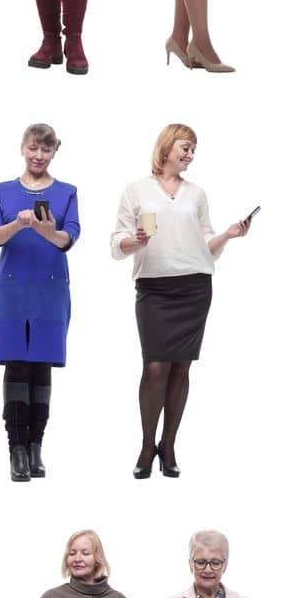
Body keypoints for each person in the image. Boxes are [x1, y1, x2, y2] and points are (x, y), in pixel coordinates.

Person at [110, 123, 252, 479]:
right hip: (154, 288)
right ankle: (147, 445)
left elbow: (204, 245)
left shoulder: (196, 193)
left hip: (194, 287)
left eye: (193, 150)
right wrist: (136, 241)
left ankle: (169, 445)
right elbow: (117, 242)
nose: (190, 155)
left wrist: (228, 235)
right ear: (167, 146)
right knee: (155, 367)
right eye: (185, 147)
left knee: (181, 368)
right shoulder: (136, 189)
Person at [0, 124, 80, 481]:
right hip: (12, 286)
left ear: (56, 151)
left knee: (42, 367)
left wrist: (46, 230)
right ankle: (16, 450)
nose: (39, 156)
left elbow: (69, 238)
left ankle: (36, 447)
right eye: (33, 148)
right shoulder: (3, 191)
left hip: (51, 286)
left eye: (46, 150)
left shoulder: (67, 192)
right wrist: (18, 226)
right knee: (16, 366)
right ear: (22, 148)